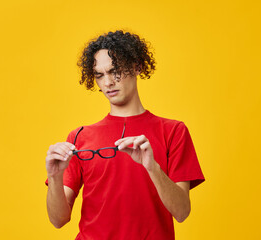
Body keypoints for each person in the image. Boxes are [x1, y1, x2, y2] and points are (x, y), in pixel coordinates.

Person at [45, 30, 205, 240]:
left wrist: (152, 168)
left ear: (137, 66)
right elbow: (58, 220)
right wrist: (54, 177)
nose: (108, 82)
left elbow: (182, 212)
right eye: (99, 75)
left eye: (115, 71)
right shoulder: (79, 137)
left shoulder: (173, 131)